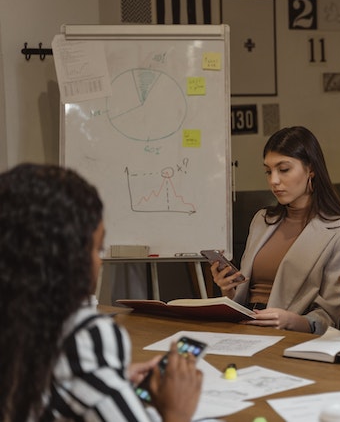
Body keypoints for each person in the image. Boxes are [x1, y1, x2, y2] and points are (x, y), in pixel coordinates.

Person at [0, 163, 203, 421]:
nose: (100, 260)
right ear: (69, 259)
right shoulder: (86, 336)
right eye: (97, 249)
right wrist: (176, 413)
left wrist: (104, 381)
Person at [213, 126, 340, 334]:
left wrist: (291, 321)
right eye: (268, 171)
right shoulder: (261, 220)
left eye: (283, 169)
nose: (273, 181)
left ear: (311, 169)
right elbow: (243, 297)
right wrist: (227, 290)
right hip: (242, 326)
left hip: (289, 335)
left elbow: (332, 316)